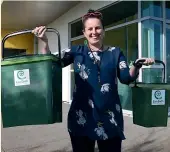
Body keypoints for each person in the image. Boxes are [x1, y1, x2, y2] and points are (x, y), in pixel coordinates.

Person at [32, 9, 154, 152]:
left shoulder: (115, 52)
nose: (94, 32)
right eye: (90, 29)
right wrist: (44, 42)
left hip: (110, 119)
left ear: (104, 30)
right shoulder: (76, 51)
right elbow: (51, 65)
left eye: (97, 28)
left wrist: (137, 65)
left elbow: (126, 78)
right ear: (84, 32)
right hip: (81, 118)